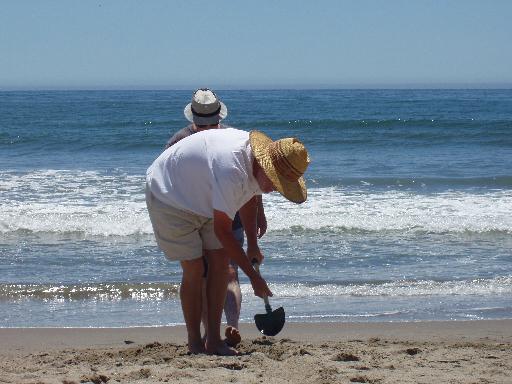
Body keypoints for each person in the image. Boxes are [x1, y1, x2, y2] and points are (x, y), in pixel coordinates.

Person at [146, 128, 310, 356]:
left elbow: (248, 199)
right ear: (264, 165)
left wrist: (252, 244)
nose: (274, 188)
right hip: (170, 194)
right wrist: (254, 277)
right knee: (194, 267)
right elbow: (223, 232)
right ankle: (195, 342)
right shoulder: (231, 168)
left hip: (204, 195)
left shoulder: (255, 162)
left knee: (221, 261)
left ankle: (213, 340)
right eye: (274, 181)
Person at [164, 89, 267, 346]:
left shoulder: (230, 141)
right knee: (203, 273)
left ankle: (229, 326)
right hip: (195, 214)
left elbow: (252, 178)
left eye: (211, 124)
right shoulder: (179, 142)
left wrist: (258, 219)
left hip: (231, 209)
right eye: (203, 125)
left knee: (222, 271)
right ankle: (211, 332)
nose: (208, 128)